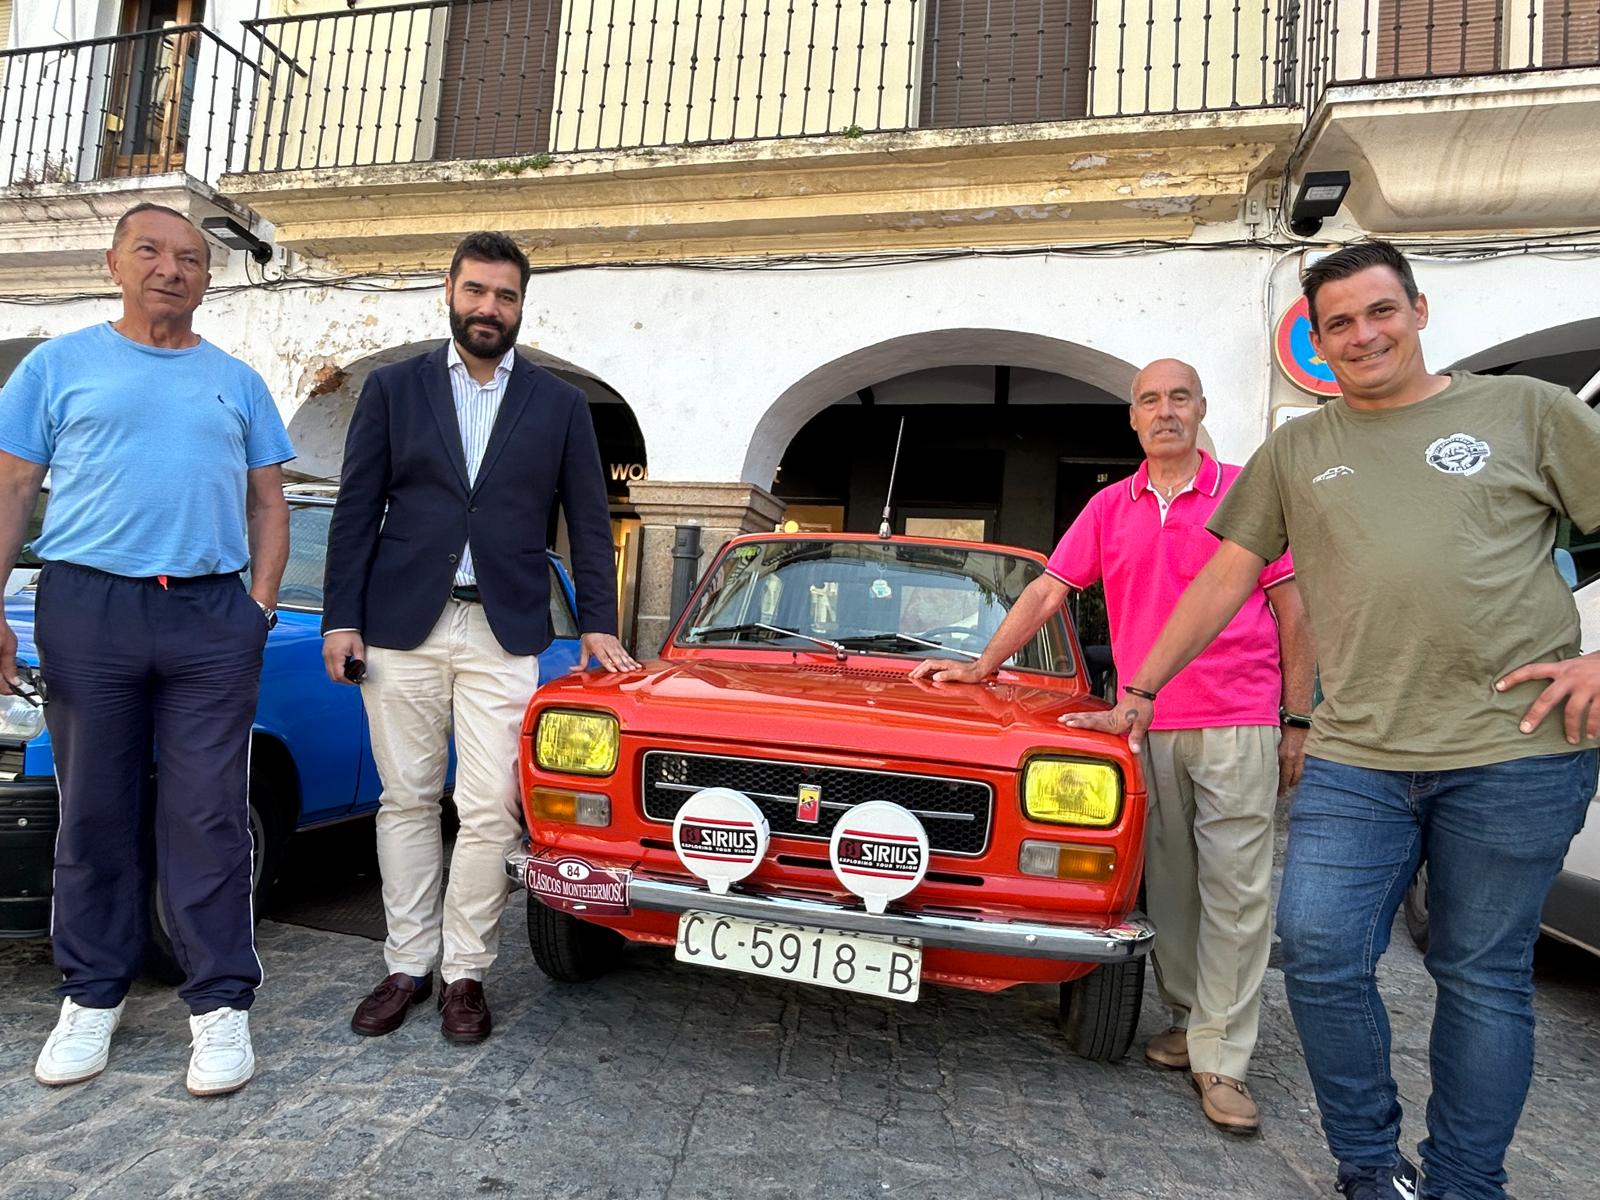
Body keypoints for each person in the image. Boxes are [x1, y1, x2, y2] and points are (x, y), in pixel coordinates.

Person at [1063, 241, 1600, 1199]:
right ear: (1317, 340)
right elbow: (1228, 576)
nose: (1363, 335)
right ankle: (1366, 1162)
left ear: (1419, 310)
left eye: (1380, 312)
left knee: (1481, 978)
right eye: (1339, 323)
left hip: (1515, 753)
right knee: (1317, 948)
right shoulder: (1301, 449)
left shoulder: (1527, 412)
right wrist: (1140, 690)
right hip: (1360, 753)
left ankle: (1464, 1182)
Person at [912, 358, 1313, 1134]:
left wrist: (1298, 719)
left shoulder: (1246, 491)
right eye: (1149, 400)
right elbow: (1047, 590)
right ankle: (1193, 1018)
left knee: (1237, 891)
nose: (1165, 411)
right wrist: (981, 667)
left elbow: (1294, 609)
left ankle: (1222, 1060)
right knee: (1165, 887)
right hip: (1141, 725)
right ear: (1132, 418)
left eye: (1179, 398)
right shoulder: (1109, 506)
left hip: (1238, 718)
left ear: (1202, 407)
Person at [0, 203, 293, 1096]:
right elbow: (13, 487)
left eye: (192, 258)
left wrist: (260, 609)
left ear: (209, 278)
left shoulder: (238, 381)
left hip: (211, 617)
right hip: (89, 607)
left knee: (208, 816)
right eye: (152, 252)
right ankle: (91, 995)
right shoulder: (56, 366)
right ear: (115, 263)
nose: (173, 268)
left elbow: (269, 506)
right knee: (93, 811)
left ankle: (219, 1006)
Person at [322, 231, 637, 1044]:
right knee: (405, 799)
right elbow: (357, 508)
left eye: (504, 295)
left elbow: (590, 522)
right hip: (402, 627)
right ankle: (406, 964)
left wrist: (598, 621)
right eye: (476, 292)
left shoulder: (559, 403)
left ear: (521, 304)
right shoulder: (394, 390)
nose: (488, 308)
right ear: (450, 293)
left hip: (506, 629)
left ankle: (466, 971)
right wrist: (340, 618)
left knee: (492, 806)